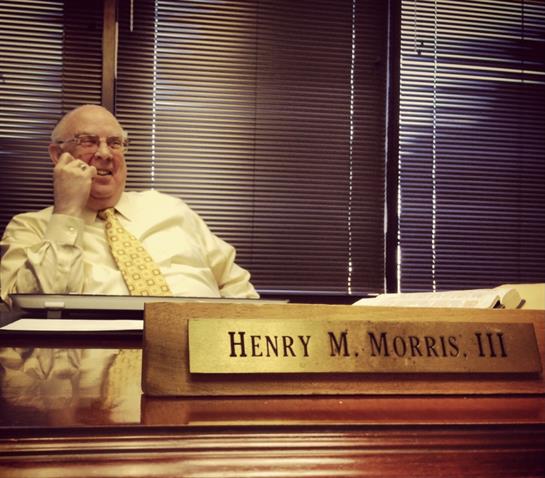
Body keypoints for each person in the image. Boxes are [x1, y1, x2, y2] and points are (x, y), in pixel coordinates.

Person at [0, 104, 258, 302]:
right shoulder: (30, 228)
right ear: (57, 155)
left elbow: (236, 286)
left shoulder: (170, 209)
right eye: (88, 141)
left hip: (200, 357)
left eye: (115, 143)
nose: (104, 153)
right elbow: (33, 310)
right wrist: (68, 212)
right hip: (101, 364)